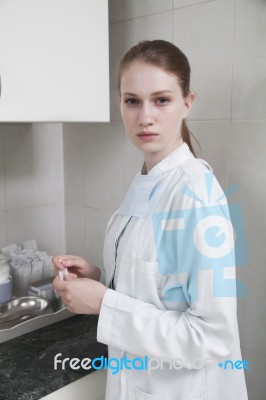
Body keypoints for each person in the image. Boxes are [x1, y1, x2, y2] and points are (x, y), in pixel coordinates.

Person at [52, 40, 248, 400]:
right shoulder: (148, 179)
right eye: (132, 101)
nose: (145, 117)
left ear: (187, 103)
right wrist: (99, 277)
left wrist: (103, 303)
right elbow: (159, 283)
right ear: (120, 104)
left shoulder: (195, 196)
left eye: (161, 100)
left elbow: (212, 338)